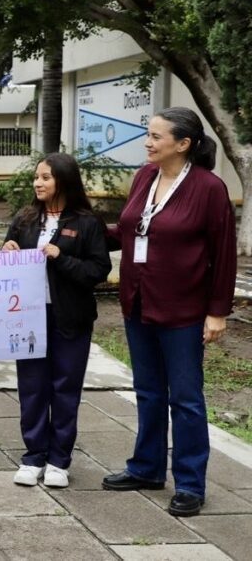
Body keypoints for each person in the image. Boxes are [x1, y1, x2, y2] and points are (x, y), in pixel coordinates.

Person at [101, 107, 236, 517]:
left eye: (156, 137)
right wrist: (71, 230)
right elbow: (128, 231)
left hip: (184, 310)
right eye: (148, 134)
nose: (148, 142)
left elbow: (224, 254)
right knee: (147, 391)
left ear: (183, 144)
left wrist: (217, 312)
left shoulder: (209, 188)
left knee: (187, 398)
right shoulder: (145, 177)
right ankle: (146, 467)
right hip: (138, 302)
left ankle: (191, 484)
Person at [2, 153, 111, 489]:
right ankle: (33, 455)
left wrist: (61, 257)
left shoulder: (86, 222)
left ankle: (59, 460)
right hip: (29, 317)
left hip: (70, 318)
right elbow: (9, 259)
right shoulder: (25, 219)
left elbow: (98, 271)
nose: (38, 182)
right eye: (37, 176)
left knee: (65, 387)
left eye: (46, 177)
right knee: (32, 387)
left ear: (63, 180)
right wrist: (6, 251)